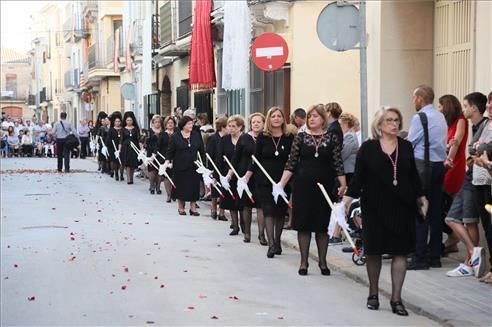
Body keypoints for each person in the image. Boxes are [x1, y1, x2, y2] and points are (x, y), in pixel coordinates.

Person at [343, 107, 428, 316]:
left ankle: (396, 298)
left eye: (397, 120)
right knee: (374, 251)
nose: (394, 124)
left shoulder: (406, 147)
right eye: (389, 120)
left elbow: (414, 177)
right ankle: (373, 293)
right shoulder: (368, 148)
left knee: (400, 252)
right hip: (374, 207)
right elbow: (358, 178)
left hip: (402, 206)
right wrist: (346, 201)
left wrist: (422, 197)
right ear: (379, 124)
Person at [277, 104, 346, 276]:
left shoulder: (331, 138)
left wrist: (343, 184)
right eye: (309, 116)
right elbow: (291, 162)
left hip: (324, 185)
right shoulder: (300, 137)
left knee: (322, 226)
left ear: (323, 118)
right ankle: (303, 262)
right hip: (303, 186)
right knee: (304, 225)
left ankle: (323, 261)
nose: (311, 119)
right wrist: (281, 183)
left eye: (315, 116)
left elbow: (338, 162)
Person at [407, 85, 448, 270]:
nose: (413, 101)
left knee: (421, 210)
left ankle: (420, 257)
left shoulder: (420, 117)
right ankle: (435, 256)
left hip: (423, 166)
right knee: (436, 211)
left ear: (420, 99)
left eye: (414, 97)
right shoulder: (440, 116)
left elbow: (411, 142)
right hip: (440, 165)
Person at [247, 107, 294, 257]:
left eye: (279, 116)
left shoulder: (289, 137)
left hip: (283, 180)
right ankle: (271, 244)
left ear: (283, 119)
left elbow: (293, 159)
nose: (276, 118)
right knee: (268, 210)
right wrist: (246, 177)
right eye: (273, 116)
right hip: (264, 180)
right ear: (269, 119)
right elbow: (255, 159)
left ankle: (278, 241)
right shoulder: (262, 136)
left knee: (280, 211)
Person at [229, 113, 265, 244]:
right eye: (253, 122)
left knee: (261, 205)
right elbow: (236, 157)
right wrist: (230, 174)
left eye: (258, 122)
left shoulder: (266, 137)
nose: (256, 124)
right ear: (250, 124)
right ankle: (247, 233)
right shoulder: (244, 138)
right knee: (246, 205)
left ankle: (262, 235)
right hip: (244, 174)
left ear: (263, 123)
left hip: (260, 175)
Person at [329, 112, 360, 245]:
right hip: (345, 173)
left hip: (348, 173)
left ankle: (337, 233)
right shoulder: (346, 136)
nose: (339, 125)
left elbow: (342, 155)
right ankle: (336, 232)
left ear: (346, 123)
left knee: (343, 203)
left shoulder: (350, 137)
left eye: (341, 123)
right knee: (341, 203)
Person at [165, 116, 205, 215]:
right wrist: (167, 162)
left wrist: (203, 164)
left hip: (194, 165)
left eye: (192, 124)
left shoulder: (196, 135)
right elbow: (170, 151)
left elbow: (201, 150)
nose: (191, 126)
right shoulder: (175, 136)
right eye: (189, 124)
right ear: (183, 125)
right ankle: (181, 207)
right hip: (180, 166)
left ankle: (193, 208)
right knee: (180, 186)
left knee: (194, 186)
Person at [217, 115, 244, 234]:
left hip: (242, 172)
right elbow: (219, 157)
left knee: (242, 200)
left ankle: (244, 223)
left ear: (240, 127)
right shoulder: (224, 140)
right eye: (229, 126)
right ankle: (235, 225)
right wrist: (218, 174)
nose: (231, 128)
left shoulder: (245, 139)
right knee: (231, 200)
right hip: (227, 173)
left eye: (234, 126)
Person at [206, 116, 229, 219]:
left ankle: (222, 212)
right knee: (215, 190)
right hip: (215, 166)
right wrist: (210, 169)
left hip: (225, 167)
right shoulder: (213, 138)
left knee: (224, 189)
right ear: (222, 127)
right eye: (228, 126)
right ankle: (214, 208)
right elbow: (209, 155)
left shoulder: (227, 139)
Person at [146, 115, 169, 195]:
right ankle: (152, 185)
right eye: (155, 122)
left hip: (161, 152)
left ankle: (158, 187)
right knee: (152, 169)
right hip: (151, 151)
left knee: (160, 170)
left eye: (159, 122)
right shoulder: (149, 131)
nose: (157, 124)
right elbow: (146, 141)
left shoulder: (163, 132)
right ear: (152, 123)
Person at [120, 112, 141, 184]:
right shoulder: (123, 129)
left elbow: (139, 140)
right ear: (125, 121)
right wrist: (119, 150)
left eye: (130, 120)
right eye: (127, 120)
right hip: (125, 147)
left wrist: (141, 150)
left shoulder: (136, 129)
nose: (129, 122)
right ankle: (128, 179)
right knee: (127, 163)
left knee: (132, 163)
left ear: (133, 121)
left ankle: (131, 178)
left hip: (134, 147)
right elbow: (121, 140)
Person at [162, 116, 177, 202]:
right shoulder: (163, 134)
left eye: (172, 123)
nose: (170, 124)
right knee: (167, 176)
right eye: (168, 123)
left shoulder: (177, 133)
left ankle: (174, 193)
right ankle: (168, 194)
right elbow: (158, 146)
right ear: (165, 124)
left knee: (175, 176)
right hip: (165, 157)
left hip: (176, 157)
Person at [107, 112, 124, 181]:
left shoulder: (122, 129)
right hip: (113, 147)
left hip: (121, 147)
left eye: (119, 121)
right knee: (115, 161)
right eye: (116, 121)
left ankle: (122, 174)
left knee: (121, 161)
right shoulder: (111, 130)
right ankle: (116, 173)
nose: (117, 123)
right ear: (114, 122)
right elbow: (109, 139)